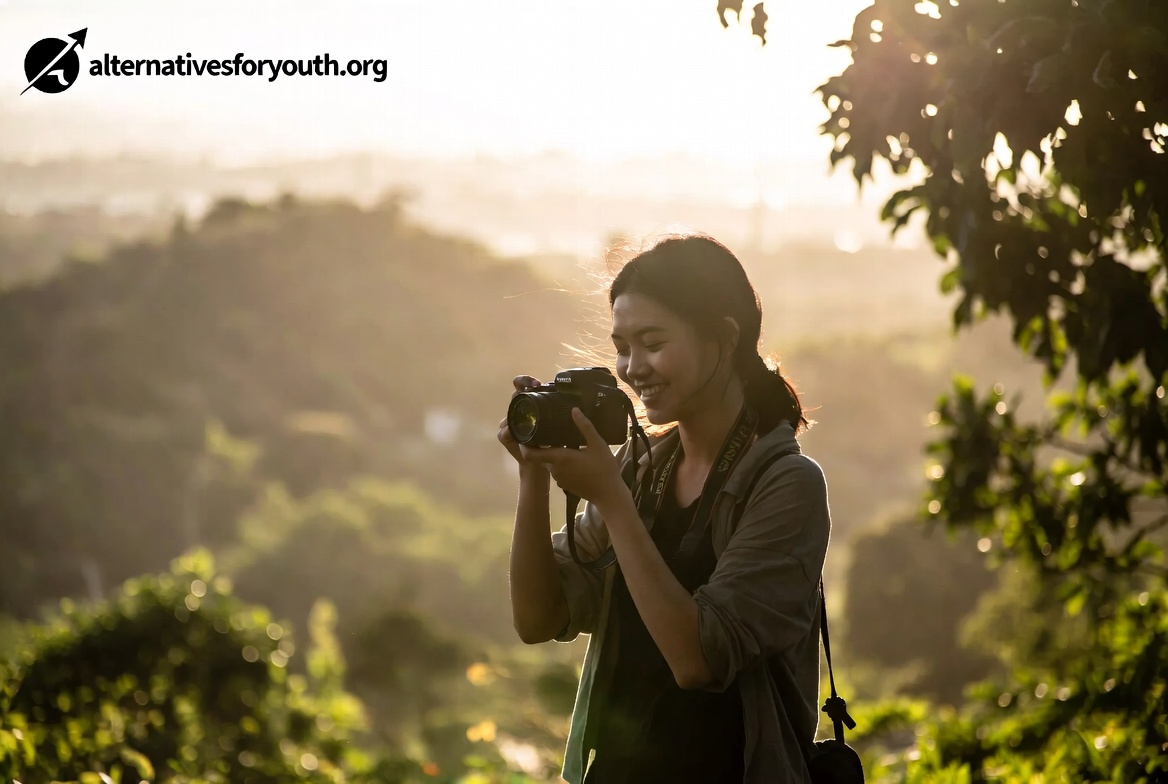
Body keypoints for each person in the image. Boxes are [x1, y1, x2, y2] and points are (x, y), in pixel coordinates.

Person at [497, 235, 831, 784]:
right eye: (622, 347)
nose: (632, 368)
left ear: (725, 338)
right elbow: (538, 618)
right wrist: (533, 473)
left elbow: (698, 660)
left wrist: (610, 498)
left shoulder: (786, 485)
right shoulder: (640, 469)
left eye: (652, 343)